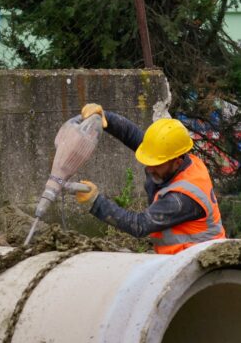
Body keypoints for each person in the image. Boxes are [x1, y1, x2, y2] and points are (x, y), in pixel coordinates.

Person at [72, 104, 225, 253]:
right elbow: (131, 134)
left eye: (156, 165)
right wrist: (105, 118)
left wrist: (96, 201)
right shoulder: (174, 157)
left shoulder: (181, 199)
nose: (150, 169)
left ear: (177, 161)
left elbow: (139, 225)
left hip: (200, 265)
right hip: (178, 258)